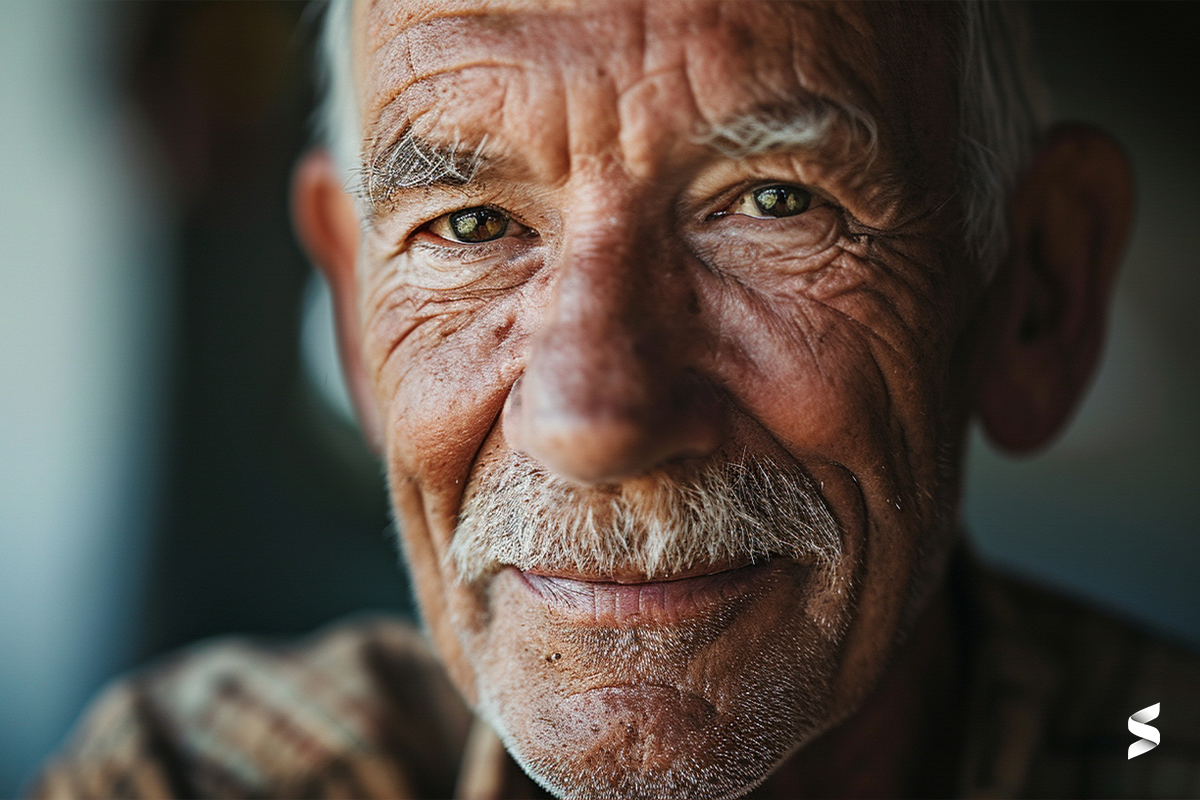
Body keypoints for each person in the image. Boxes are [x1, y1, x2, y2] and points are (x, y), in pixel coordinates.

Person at [30, 1, 1200, 798]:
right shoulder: (191, 775)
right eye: (472, 226)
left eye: (773, 203)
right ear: (353, 313)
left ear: (1039, 291)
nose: (592, 419)